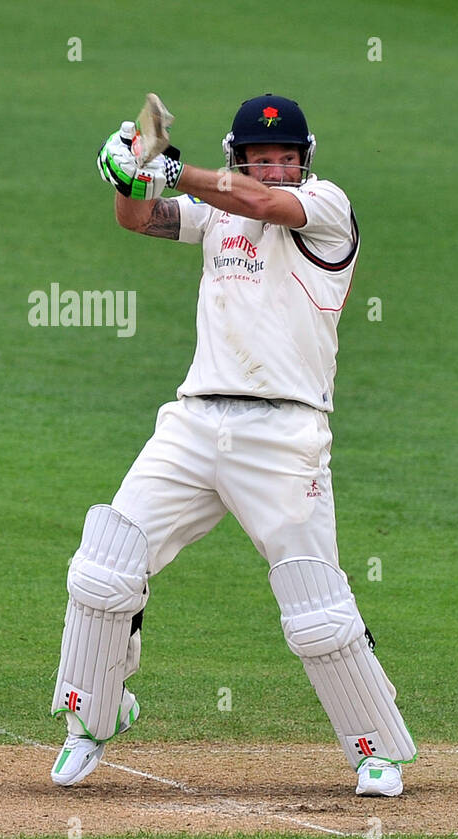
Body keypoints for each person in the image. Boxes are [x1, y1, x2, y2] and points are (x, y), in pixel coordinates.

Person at [49, 93, 415, 797]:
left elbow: (268, 207)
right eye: (259, 156)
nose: (272, 168)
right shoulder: (217, 210)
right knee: (105, 565)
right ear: (239, 155)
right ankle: (91, 719)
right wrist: (128, 176)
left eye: (284, 156)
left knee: (315, 604)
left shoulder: (327, 208)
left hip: (285, 433)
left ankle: (377, 749)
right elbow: (137, 219)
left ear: (304, 159)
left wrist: (166, 166)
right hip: (193, 421)